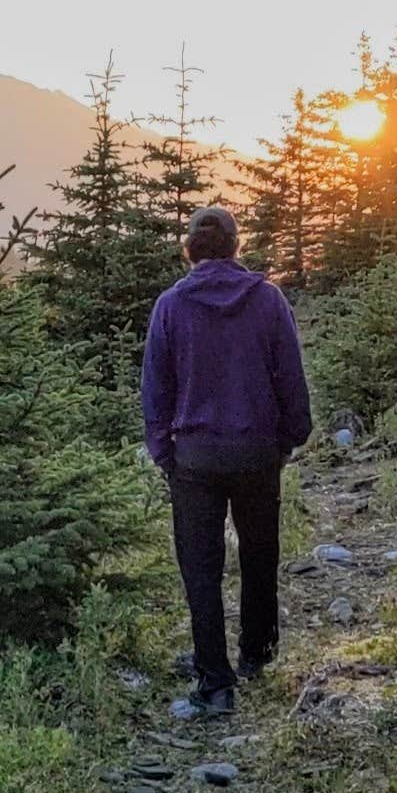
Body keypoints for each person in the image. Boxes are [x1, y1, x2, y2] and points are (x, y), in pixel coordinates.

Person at [141, 206, 313, 716]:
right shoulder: (268, 300)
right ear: (236, 245)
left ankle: (215, 681)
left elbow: (156, 389)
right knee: (260, 552)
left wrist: (162, 451)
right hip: (258, 451)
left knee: (201, 568)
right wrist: (290, 438)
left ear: (191, 247)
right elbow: (290, 376)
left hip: (194, 458)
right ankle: (257, 654)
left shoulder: (171, 306)